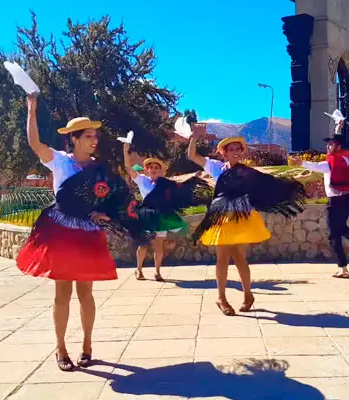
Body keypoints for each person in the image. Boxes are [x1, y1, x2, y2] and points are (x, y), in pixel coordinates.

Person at [17, 94, 148, 372]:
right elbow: (34, 144)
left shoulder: (99, 168)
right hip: (62, 231)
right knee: (62, 292)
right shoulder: (60, 161)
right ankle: (61, 348)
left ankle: (88, 346)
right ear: (74, 139)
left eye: (95, 136)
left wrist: (107, 214)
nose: (94, 140)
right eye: (88, 136)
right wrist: (32, 109)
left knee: (86, 293)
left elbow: (112, 196)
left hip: (88, 232)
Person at [188, 131, 305, 316]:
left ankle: (248, 295)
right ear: (224, 153)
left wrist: (291, 186)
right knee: (222, 258)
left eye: (238, 149)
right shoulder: (216, 168)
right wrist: (194, 138)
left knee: (239, 257)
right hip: (222, 218)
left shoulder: (248, 173)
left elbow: (267, 186)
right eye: (230, 149)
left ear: (242, 152)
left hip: (241, 218)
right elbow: (192, 156)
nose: (235, 152)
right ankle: (221, 298)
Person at [123, 143, 210, 281]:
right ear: (146, 170)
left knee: (159, 246)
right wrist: (125, 150)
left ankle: (157, 272)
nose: (154, 169)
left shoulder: (165, 183)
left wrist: (194, 175)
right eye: (151, 167)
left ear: (161, 171)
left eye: (156, 168)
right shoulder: (142, 180)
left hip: (161, 217)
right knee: (143, 245)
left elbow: (179, 184)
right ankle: (138, 270)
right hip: (146, 216)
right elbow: (128, 168)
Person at [290, 127, 349, 279]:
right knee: (340, 228)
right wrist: (338, 128)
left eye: (331, 144)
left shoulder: (332, 162)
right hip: (347, 199)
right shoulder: (347, 159)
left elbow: (317, 167)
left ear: (338, 146)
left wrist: (301, 162)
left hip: (335, 201)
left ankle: (342, 267)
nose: (327, 147)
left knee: (333, 234)